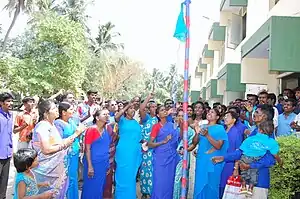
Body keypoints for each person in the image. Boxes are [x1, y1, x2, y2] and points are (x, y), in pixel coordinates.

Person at [212, 104, 276, 199]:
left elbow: (270, 160)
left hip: (259, 182)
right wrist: (223, 158)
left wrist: (250, 166)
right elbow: (241, 151)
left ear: (264, 116)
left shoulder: (267, 136)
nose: (254, 114)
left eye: (257, 112)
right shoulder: (254, 132)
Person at [31, 99, 82, 198]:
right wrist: (72, 137)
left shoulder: (52, 125)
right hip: (46, 171)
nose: (56, 110)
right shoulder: (43, 126)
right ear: (46, 113)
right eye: (53, 108)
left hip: (56, 169)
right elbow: (46, 150)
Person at [191, 108, 228, 199]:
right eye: (208, 112)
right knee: (199, 184)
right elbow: (195, 142)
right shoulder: (203, 127)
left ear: (217, 117)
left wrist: (207, 135)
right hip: (202, 160)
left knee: (211, 185)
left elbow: (218, 146)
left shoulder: (220, 128)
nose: (209, 113)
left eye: (212, 112)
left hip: (213, 161)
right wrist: (197, 132)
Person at [148, 105, 181, 199]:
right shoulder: (156, 127)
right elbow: (150, 144)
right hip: (160, 158)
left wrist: (181, 126)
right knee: (159, 182)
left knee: (169, 182)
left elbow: (178, 139)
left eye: (165, 110)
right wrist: (163, 141)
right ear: (158, 115)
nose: (165, 111)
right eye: (162, 110)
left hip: (171, 157)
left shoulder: (172, 124)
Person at [54, 102, 86, 199]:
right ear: (63, 112)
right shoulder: (58, 124)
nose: (73, 111)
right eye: (71, 109)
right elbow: (59, 141)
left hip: (74, 154)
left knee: (73, 177)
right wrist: (77, 133)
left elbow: (78, 132)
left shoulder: (72, 121)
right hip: (65, 155)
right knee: (66, 178)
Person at [81, 109, 112, 199]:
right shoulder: (91, 129)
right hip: (93, 163)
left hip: (103, 163)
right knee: (90, 188)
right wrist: (90, 166)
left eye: (108, 114)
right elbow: (87, 149)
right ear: (97, 117)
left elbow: (106, 148)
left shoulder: (106, 130)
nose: (107, 116)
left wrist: (107, 165)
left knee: (99, 187)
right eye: (104, 114)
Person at [114, 101, 142, 199]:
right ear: (126, 111)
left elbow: (139, 138)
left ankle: (130, 196)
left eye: (133, 108)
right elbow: (116, 117)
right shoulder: (121, 120)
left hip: (134, 153)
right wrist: (127, 106)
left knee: (131, 176)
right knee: (122, 175)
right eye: (130, 108)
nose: (133, 110)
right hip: (123, 152)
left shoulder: (136, 123)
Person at [219, 111, 243, 198]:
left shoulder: (236, 132)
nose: (225, 118)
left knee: (226, 187)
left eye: (228, 116)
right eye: (225, 116)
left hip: (229, 163)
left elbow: (238, 151)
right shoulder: (222, 130)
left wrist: (236, 168)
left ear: (234, 120)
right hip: (219, 161)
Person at [173, 109, 195, 199]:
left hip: (183, 158)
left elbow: (191, 144)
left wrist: (184, 149)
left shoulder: (189, 130)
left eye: (183, 116)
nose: (181, 118)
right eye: (179, 116)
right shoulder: (172, 128)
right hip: (171, 157)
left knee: (179, 179)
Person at [139, 93, 158, 198]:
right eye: (151, 107)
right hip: (146, 148)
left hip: (156, 148)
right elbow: (141, 109)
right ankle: (144, 192)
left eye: (155, 107)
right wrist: (148, 97)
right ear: (148, 108)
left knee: (154, 170)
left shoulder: (159, 119)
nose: (154, 109)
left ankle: (152, 192)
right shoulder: (146, 118)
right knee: (145, 170)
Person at [0, 92, 14, 199]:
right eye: (8, 101)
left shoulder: (10, 115)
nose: (10, 103)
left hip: (7, 152)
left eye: (11, 101)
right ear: (1, 103)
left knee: (4, 179)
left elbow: (10, 133)